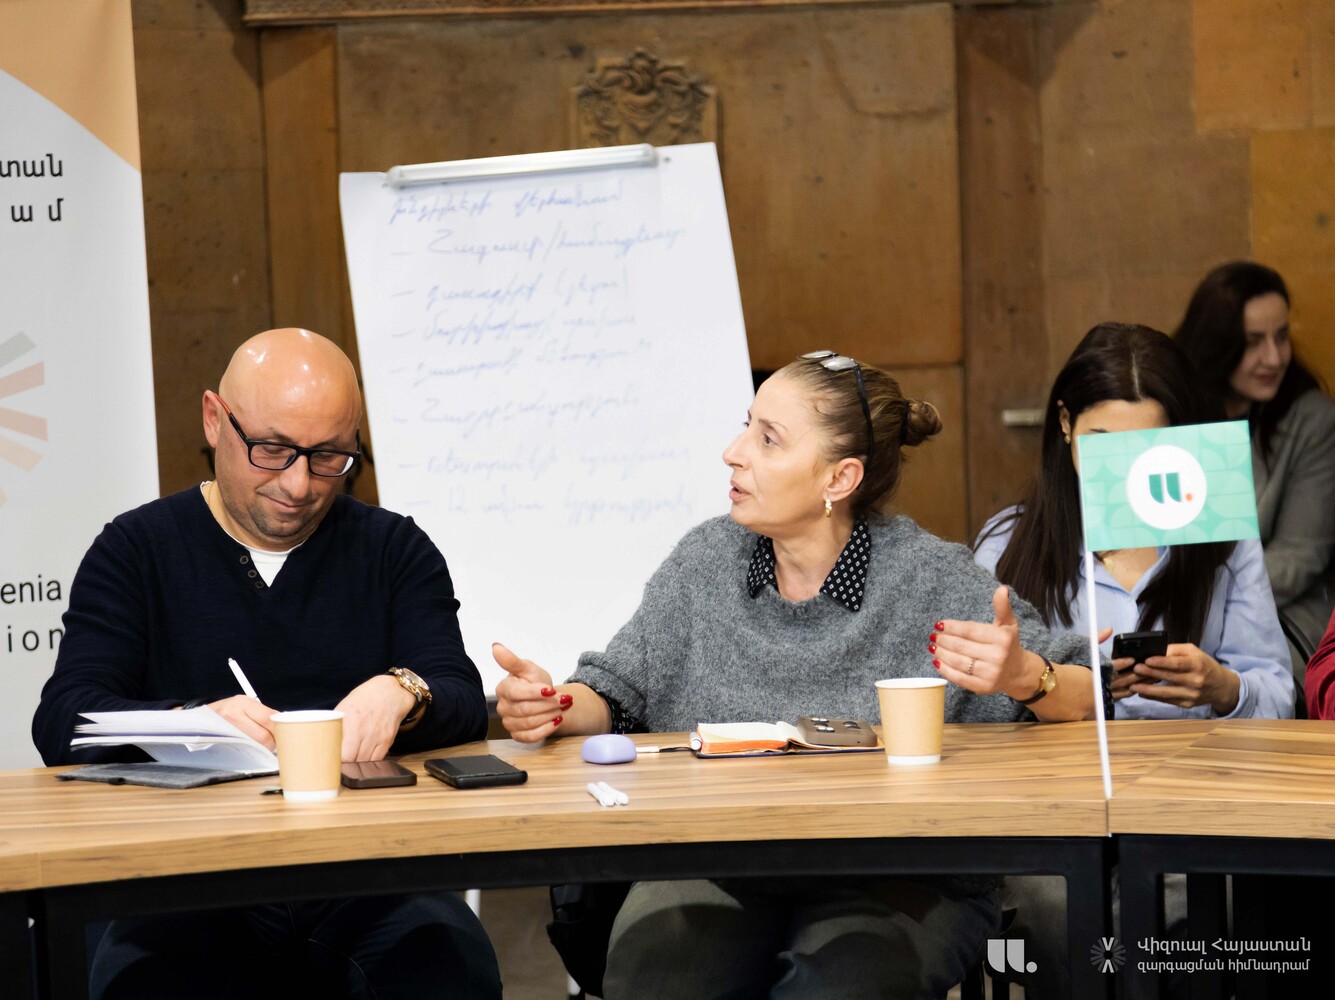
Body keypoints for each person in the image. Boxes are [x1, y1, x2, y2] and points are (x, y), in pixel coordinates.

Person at [494, 351, 1106, 1000]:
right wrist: (555, 704)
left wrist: (1023, 675)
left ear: (839, 478)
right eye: (745, 427)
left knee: (840, 985)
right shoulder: (706, 560)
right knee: (660, 976)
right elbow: (617, 690)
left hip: (899, 871)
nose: (732, 453)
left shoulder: (928, 576)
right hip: (719, 859)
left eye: (767, 439)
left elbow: (1084, 692)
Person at [32, 329, 501, 1000]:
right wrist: (192, 725)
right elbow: (64, 720)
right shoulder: (137, 549)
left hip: (367, 873)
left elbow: (458, 691)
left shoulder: (392, 548)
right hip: (185, 878)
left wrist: (403, 691)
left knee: (448, 967)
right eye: (272, 450)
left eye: (329, 457)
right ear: (213, 420)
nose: (298, 484)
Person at [974, 322, 1293, 999]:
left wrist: (1221, 687)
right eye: (1100, 444)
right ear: (1064, 425)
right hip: (1056, 816)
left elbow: (1276, 691)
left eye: (1144, 447)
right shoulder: (1010, 543)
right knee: (1051, 915)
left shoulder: (1220, 540)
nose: (1120, 468)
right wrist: (1056, 687)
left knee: (1192, 915)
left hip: (1189, 809)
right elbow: (973, 714)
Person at [1175, 261, 1335, 671]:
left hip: (1278, 613)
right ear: (1216, 344)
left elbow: (1300, 557)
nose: (1274, 357)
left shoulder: (1312, 420)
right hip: (1176, 610)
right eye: (1253, 342)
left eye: (1281, 337)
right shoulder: (1173, 414)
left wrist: (1205, 606)